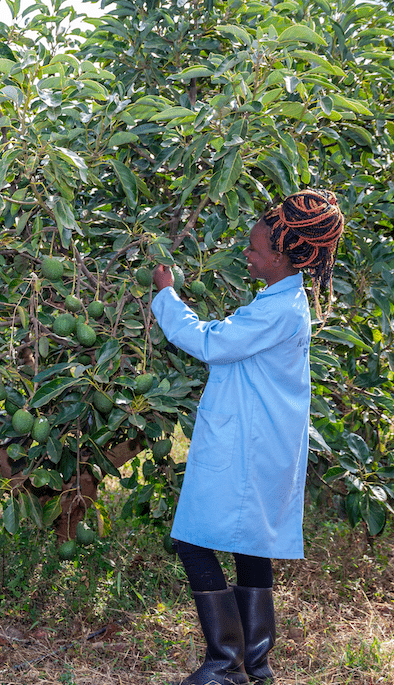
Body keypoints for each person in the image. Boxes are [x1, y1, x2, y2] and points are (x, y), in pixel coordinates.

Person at [150, 189, 345, 685]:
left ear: (281, 256)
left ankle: (225, 663)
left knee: (192, 541)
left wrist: (166, 297)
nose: (248, 254)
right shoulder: (282, 301)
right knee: (250, 546)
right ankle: (254, 664)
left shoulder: (278, 311)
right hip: (259, 442)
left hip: (247, 446)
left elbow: (210, 342)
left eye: (256, 250)